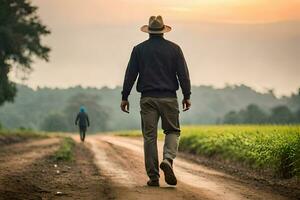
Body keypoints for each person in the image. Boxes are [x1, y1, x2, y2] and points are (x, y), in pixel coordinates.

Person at [120, 16, 191, 187]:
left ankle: (153, 177)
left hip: (148, 98)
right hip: (169, 98)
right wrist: (186, 95)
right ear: (162, 31)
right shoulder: (174, 49)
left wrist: (125, 96)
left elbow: (131, 74)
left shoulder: (139, 50)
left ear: (149, 31)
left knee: (149, 137)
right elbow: (183, 74)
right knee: (172, 131)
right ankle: (167, 160)